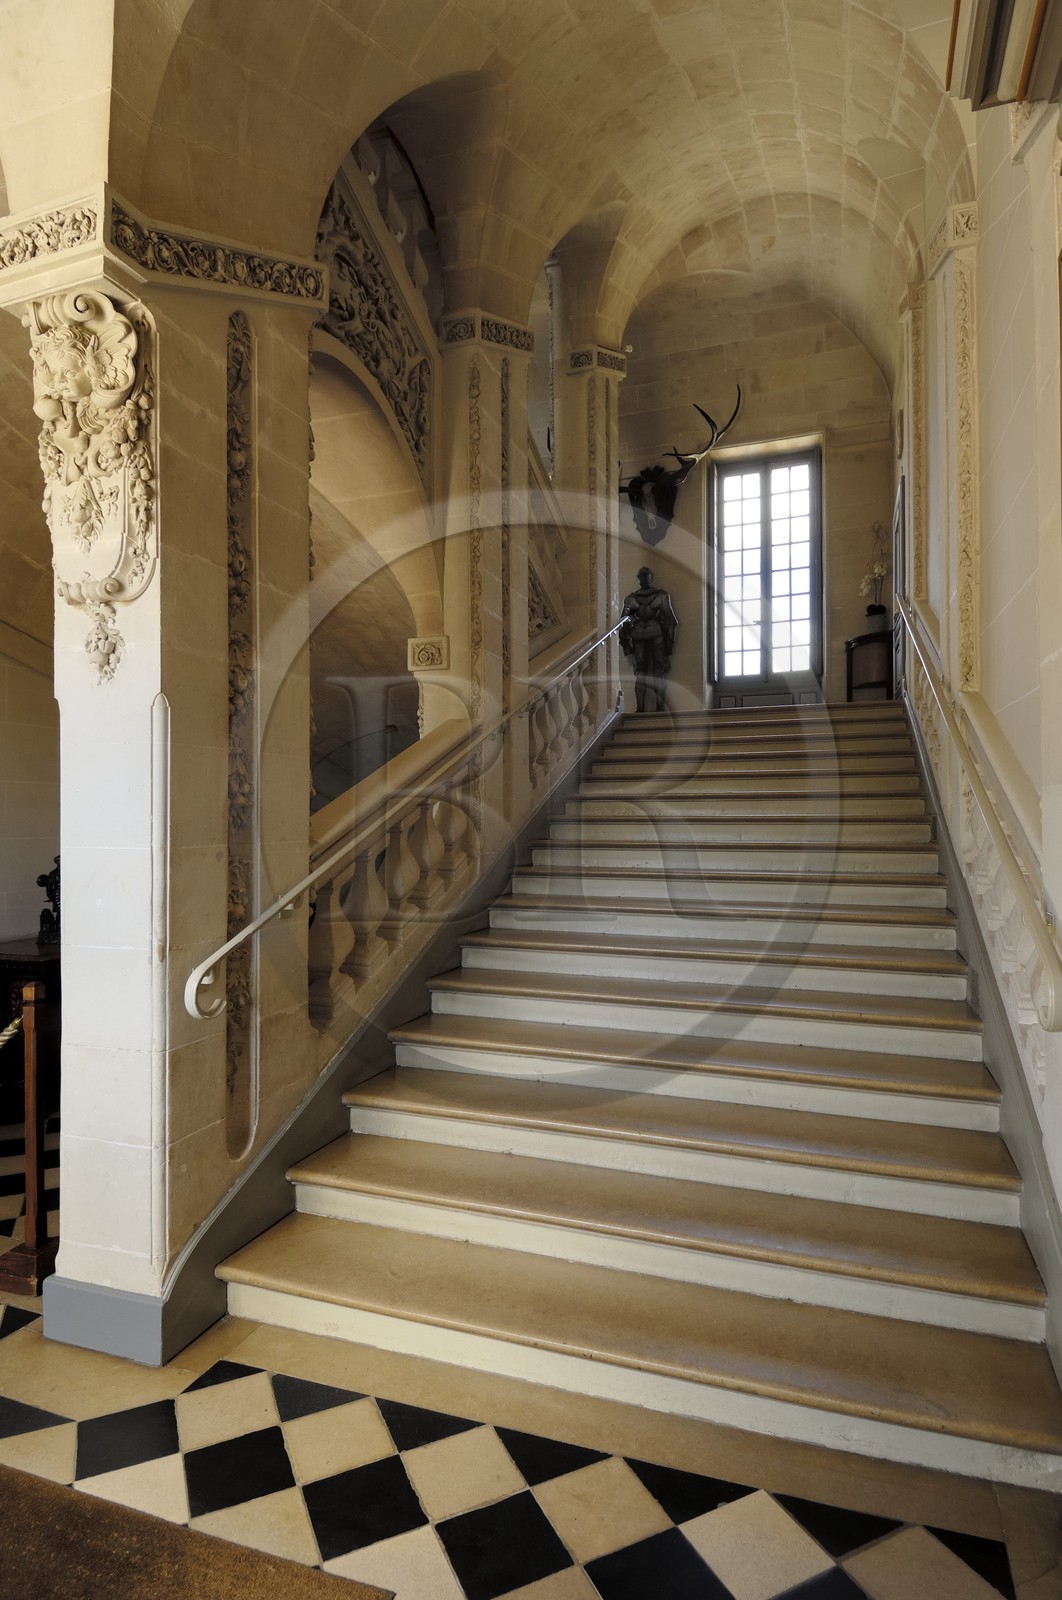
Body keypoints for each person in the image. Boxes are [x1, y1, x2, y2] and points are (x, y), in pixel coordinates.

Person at [619, 567, 678, 712]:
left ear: (651, 577)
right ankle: (640, 707)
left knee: (658, 671)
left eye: (646, 576)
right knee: (640, 673)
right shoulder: (631, 598)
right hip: (639, 634)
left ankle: (659, 706)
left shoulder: (661, 595)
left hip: (656, 633)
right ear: (638, 579)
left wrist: (669, 643)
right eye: (642, 576)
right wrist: (626, 644)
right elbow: (623, 623)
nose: (645, 579)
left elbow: (670, 620)